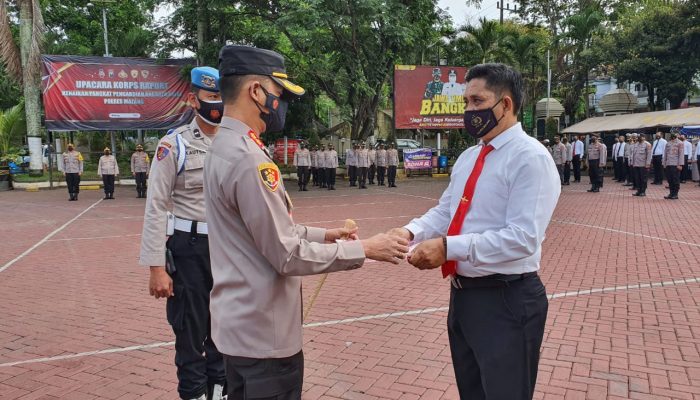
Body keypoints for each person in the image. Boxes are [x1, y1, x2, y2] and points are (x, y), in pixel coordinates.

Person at [203, 45, 409, 400]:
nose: (280, 105)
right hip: (264, 340)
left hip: (238, 329)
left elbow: (261, 232)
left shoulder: (223, 145)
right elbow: (285, 254)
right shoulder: (248, 159)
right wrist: (365, 248)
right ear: (256, 91)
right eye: (278, 94)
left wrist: (326, 235)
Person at [388, 63, 559, 400]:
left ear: (505, 104)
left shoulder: (530, 159)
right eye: (466, 103)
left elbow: (523, 238)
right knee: (474, 392)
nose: (469, 111)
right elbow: (446, 210)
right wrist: (409, 232)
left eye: (477, 102)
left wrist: (449, 248)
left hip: (507, 300)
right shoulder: (469, 157)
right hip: (464, 298)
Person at [140, 66, 227, 400]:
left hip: (227, 249)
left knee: (224, 329)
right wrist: (156, 268)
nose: (217, 104)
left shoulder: (237, 143)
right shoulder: (173, 145)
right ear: (193, 100)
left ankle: (220, 392)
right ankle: (193, 394)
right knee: (191, 333)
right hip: (188, 248)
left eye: (222, 97)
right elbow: (155, 207)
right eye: (211, 97)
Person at [663, 132, 684, 199]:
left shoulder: (680, 143)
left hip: (675, 164)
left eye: (674, 134)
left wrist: (680, 164)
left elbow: (681, 154)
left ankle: (675, 194)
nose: (673, 135)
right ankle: (671, 193)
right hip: (668, 163)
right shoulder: (668, 143)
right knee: (670, 179)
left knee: (675, 180)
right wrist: (664, 163)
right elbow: (665, 154)